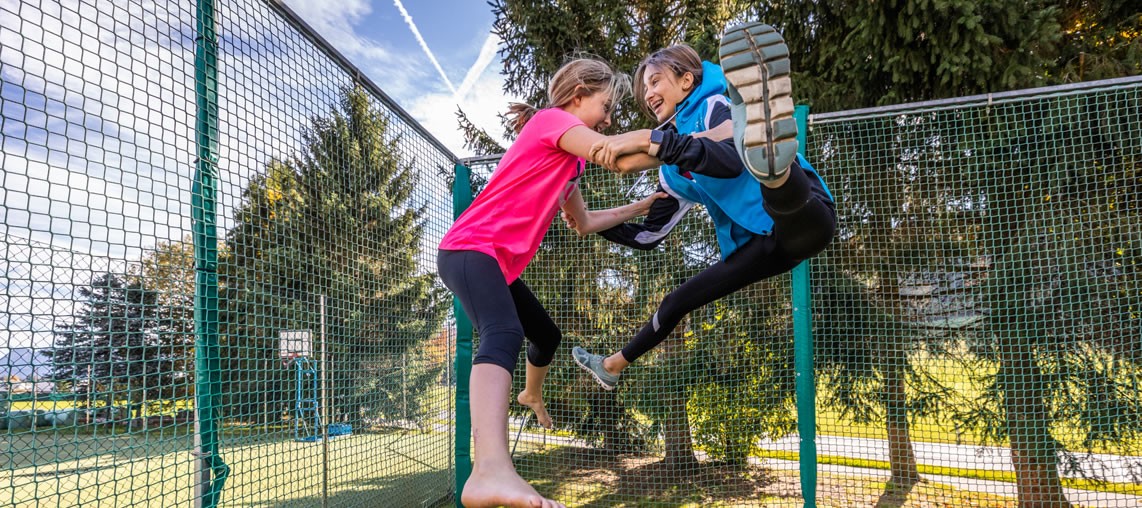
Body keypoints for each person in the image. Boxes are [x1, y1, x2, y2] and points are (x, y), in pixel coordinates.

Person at [438, 56, 663, 508]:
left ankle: (529, 392)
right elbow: (610, 152)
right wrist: (682, 143)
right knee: (503, 331)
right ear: (578, 94)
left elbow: (584, 222)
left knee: (545, 335)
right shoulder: (550, 121)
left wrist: (643, 207)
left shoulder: (568, 166)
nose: (608, 117)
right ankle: (489, 470)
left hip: (493, 263)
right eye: (604, 105)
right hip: (468, 248)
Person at [566, 23, 837, 391]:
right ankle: (613, 365)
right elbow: (648, 236)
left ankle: (774, 172)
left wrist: (651, 141)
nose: (648, 94)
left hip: (806, 213)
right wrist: (594, 222)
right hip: (767, 246)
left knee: (754, 168)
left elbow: (727, 161)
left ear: (686, 82)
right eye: (645, 89)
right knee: (679, 300)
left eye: (655, 81)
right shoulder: (672, 175)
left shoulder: (715, 106)